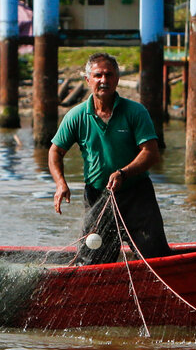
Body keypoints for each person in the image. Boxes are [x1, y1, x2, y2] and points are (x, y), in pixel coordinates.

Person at [48, 53, 171, 265]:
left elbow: (151, 153)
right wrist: (60, 184)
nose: (103, 80)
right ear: (88, 80)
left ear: (117, 79)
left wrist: (124, 173)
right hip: (97, 197)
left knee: (155, 256)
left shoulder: (135, 112)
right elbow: (55, 152)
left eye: (108, 75)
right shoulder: (76, 116)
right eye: (97, 75)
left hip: (136, 195)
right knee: (93, 259)